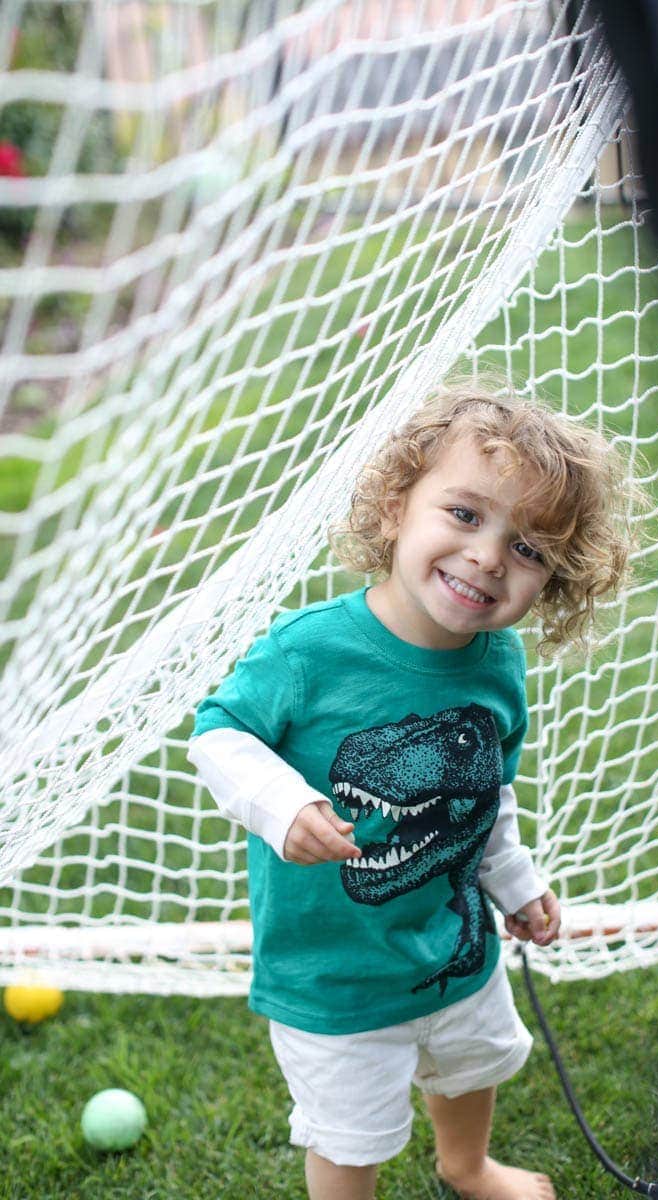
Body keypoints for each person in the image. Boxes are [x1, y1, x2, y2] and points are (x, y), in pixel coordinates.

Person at [188, 377, 634, 1200]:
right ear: (397, 504)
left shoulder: (500, 665)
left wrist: (516, 884)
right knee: (350, 1135)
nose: (490, 556)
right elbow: (217, 735)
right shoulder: (307, 652)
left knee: (469, 1068)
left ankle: (466, 1167)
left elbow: (487, 795)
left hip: (456, 948)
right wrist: (283, 806)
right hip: (335, 973)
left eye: (528, 548)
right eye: (465, 515)